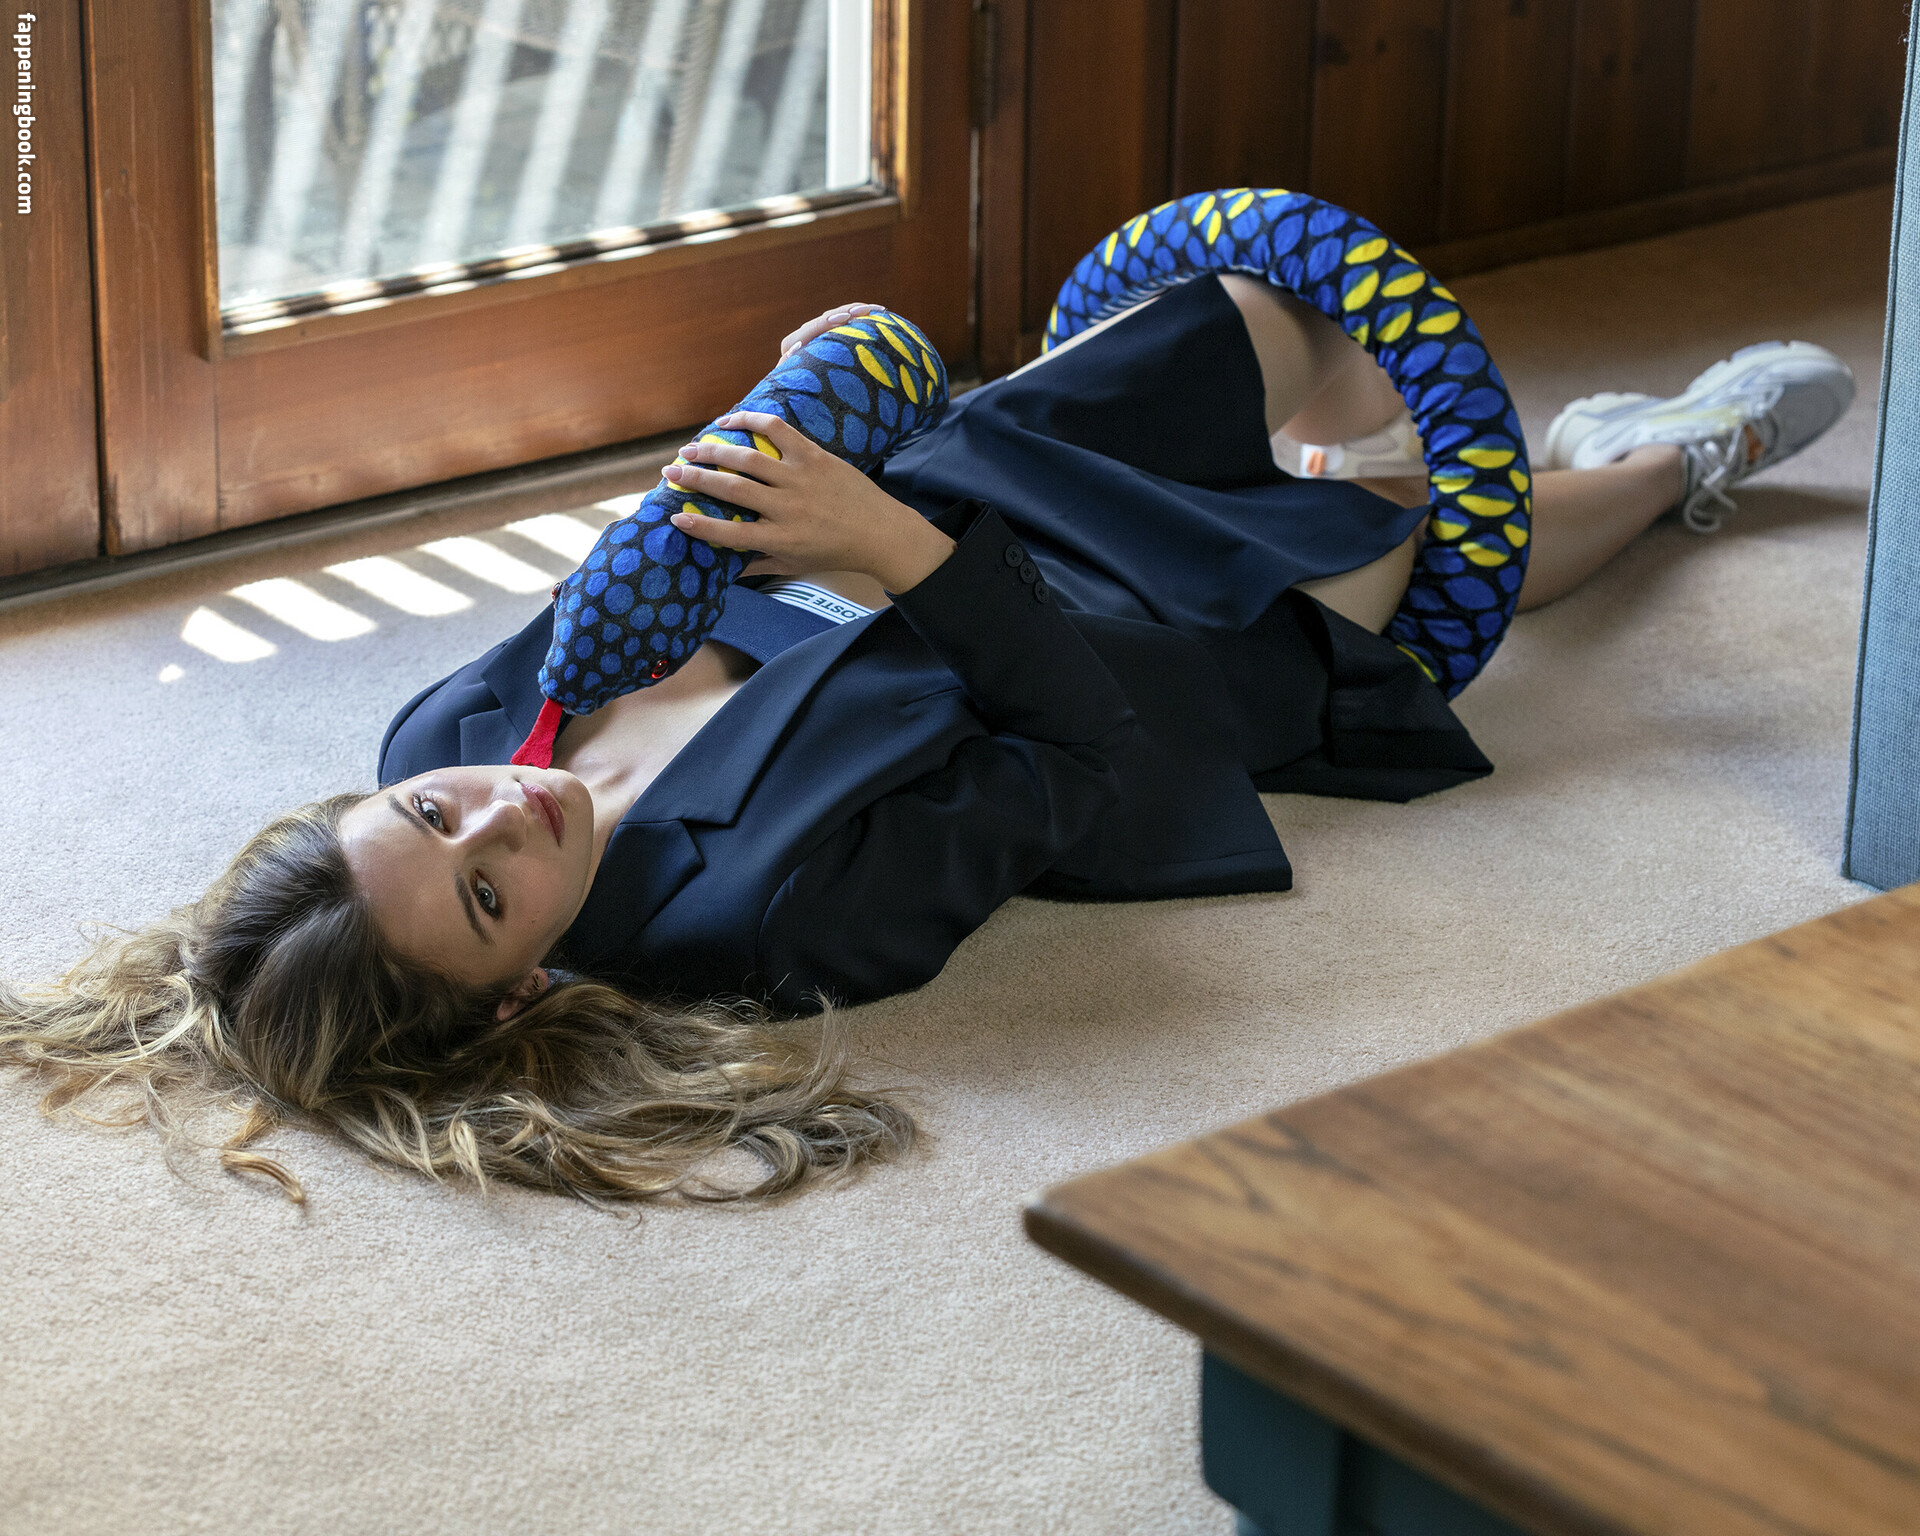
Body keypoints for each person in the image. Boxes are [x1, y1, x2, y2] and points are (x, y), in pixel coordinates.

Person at [0, 270, 1853, 1206]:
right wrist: (894, 553)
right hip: (1124, 649)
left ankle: (1363, 449)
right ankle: (1672, 461)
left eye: (437, 809)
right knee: (1439, 548)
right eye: (490, 897)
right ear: (514, 1000)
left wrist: (801, 453)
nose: (507, 812)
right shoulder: (762, 921)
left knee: (1264, 310)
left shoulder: (457, 718)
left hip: (933, 494)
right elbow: (1089, 759)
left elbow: (671, 559)